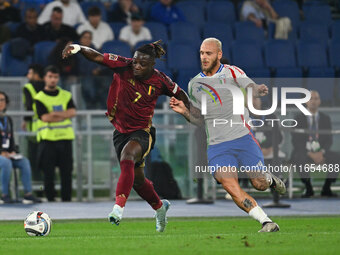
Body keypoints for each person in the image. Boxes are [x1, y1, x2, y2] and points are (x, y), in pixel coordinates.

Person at [62, 40, 190, 232]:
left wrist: (191, 113)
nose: (136, 66)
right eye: (135, 61)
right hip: (120, 132)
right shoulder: (124, 65)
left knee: (127, 156)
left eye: (142, 64)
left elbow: (182, 96)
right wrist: (79, 48)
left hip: (143, 132)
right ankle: (160, 207)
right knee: (138, 181)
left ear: (152, 65)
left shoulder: (161, 80)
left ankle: (118, 209)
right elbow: (97, 56)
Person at [169, 38, 286, 232]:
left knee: (259, 183)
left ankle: (270, 179)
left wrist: (257, 90)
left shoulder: (233, 72)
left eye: (209, 53)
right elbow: (199, 119)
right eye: (201, 53)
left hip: (243, 138)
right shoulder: (194, 84)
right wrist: (185, 112)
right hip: (217, 146)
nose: (204, 57)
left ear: (219, 55)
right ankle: (266, 221)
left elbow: (250, 86)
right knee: (229, 185)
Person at [34, 65, 76, 202]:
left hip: (65, 139)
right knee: (48, 174)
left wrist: (54, 114)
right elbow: (45, 117)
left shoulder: (66, 95)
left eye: (55, 77)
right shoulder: (39, 97)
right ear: (45, 78)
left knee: (66, 173)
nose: (53, 80)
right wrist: (63, 115)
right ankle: (51, 201)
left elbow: (73, 113)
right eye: (50, 77)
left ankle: (67, 201)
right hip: (48, 140)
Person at [291, 90, 339, 198]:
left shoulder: (325, 118)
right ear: (306, 102)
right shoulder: (298, 118)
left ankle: (327, 187)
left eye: (316, 98)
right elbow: (295, 140)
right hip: (304, 152)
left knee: (337, 158)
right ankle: (308, 188)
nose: (313, 101)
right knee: (298, 157)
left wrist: (322, 152)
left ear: (320, 102)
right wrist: (309, 153)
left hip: (321, 151)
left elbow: (329, 139)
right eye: (310, 98)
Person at [0, 91, 41, 204]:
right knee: (6, 163)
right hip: (1, 156)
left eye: (2, 100)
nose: (0, 103)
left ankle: (28, 194)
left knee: (24, 161)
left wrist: (13, 150)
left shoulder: (7, 119)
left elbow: (10, 138)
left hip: (6, 153)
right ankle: (4, 195)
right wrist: (1, 152)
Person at [22, 64, 45, 184]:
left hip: (34, 131)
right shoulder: (49, 86)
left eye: (30, 73)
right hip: (48, 131)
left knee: (34, 162)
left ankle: (38, 189)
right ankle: (48, 191)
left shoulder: (28, 87)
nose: (28, 76)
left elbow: (29, 107)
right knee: (47, 163)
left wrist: (25, 120)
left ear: (36, 74)